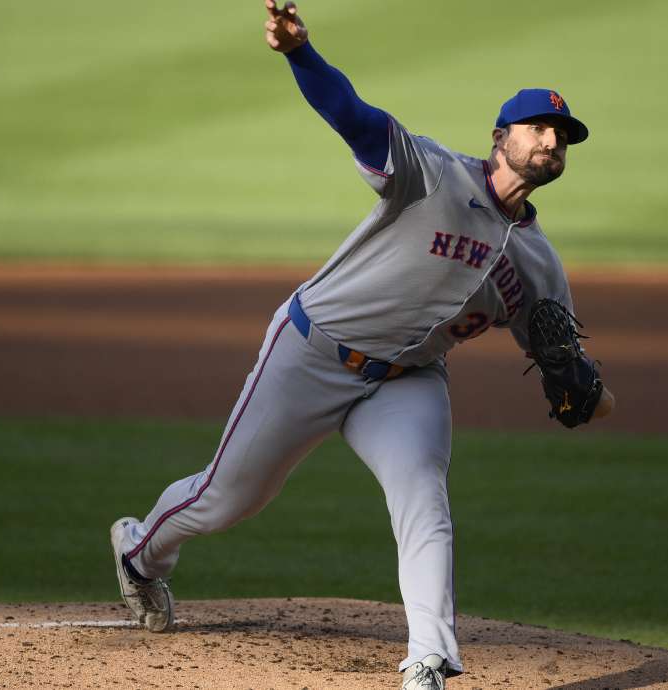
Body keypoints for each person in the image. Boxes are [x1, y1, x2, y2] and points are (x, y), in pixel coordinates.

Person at [110, 2, 615, 688]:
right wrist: (300, 53)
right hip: (312, 351)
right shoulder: (430, 172)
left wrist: (584, 389)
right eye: (539, 127)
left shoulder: (539, 266)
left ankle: (428, 663)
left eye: (563, 135)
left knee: (424, 500)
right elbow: (349, 112)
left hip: (407, 381)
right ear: (501, 136)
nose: (552, 141)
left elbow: (569, 370)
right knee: (229, 499)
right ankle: (141, 553)